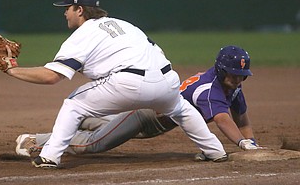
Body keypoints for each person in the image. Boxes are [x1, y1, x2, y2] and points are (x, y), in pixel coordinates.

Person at [7, 0, 227, 168]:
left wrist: (12, 70)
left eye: (68, 8)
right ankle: (215, 151)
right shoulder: (125, 25)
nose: (65, 12)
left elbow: (51, 77)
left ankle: (50, 156)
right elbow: (155, 51)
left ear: (80, 10)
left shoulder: (84, 33)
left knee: (73, 105)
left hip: (127, 83)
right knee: (180, 108)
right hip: (167, 81)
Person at [15, 45, 261, 161]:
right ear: (220, 70)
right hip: (145, 117)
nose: (238, 79)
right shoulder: (210, 90)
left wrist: (251, 143)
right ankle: (35, 141)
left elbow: (242, 117)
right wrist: (241, 143)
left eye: (241, 75)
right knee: (95, 143)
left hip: (150, 111)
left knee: (97, 123)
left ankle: (64, 127)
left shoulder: (232, 87)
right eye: (233, 73)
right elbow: (222, 119)